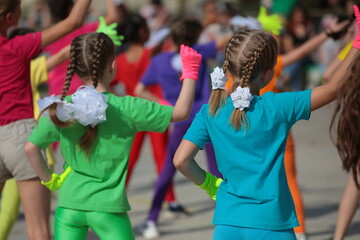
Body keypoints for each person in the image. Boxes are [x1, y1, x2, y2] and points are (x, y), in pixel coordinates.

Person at [173, 5, 360, 239]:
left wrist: (210, 185)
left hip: (227, 225)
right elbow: (333, 89)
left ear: (228, 67)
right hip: (273, 226)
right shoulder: (277, 106)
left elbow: (181, 160)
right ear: (268, 74)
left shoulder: (210, 110)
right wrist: (357, 41)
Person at [24, 32, 202, 239]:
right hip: (108, 209)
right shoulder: (127, 107)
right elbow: (181, 112)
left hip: (69, 207)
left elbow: (30, 149)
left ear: (75, 68)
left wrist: (50, 181)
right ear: (112, 65)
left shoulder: (61, 109)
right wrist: (190, 72)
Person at [0, 0, 92, 239]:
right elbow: (74, 22)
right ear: (10, 17)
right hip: (19, 136)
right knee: (39, 230)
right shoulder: (17, 47)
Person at [135, 17, 227, 239]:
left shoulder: (159, 61)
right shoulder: (199, 52)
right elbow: (226, 40)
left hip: (180, 119)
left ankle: (151, 220)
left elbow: (139, 89)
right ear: (195, 37)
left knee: (168, 169)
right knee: (217, 170)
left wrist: (164, 103)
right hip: (207, 115)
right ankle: (227, 218)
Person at [0, 27, 69, 240]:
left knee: (8, 214)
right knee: (38, 226)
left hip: (6, 138)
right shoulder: (26, 63)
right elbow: (62, 54)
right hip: (26, 143)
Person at [111, 14, 183, 216]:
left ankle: (115, 197)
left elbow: (108, 83)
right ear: (143, 32)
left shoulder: (120, 60)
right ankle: (170, 201)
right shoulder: (152, 54)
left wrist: (120, 100)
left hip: (132, 115)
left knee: (129, 160)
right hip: (154, 113)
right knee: (163, 159)